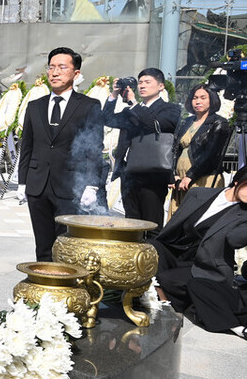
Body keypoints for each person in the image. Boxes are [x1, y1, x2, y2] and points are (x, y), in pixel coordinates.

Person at [17, 47, 103, 261]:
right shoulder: (35, 106)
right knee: (43, 245)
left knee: (67, 245)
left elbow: (94, 148)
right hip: (38, 185)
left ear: (76, 74)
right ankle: (44, 288)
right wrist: (22, 182)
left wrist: (92, 185)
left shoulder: (89, 106)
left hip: (71, 186)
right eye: (51, 67)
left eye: (62, 67)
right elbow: (27, 146)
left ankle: (67, 290)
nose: (55, 72)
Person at [151, 166, 247, 339]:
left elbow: (235, 239)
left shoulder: (244, 213)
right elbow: (177, 224)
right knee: (151, 249)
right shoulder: (199, 194)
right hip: (177, 250)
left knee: (167, 279)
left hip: (205, 264)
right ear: (237, 181)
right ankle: (162, 298)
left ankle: (167, 306)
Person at [103, 68, 181, 230]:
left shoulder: (170, 109)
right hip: (128, 173)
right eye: (140, 83)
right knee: (131, 223)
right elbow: (106, 119)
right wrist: (114, 95)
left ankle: (152, 254)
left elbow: (153, 123)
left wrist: (134, 103)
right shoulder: (130, 110)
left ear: (160, 86)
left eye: (147, 82)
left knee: (151, 223)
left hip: (153, 174)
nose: (142, 86)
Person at [168, 84, 229, 218]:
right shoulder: (186, 121)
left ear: (211, 100)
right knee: (177, 218)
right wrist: (173, 174)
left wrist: (190, 175)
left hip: (203, 177)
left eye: (203, 98)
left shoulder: (219, 123)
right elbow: (174, 149)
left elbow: (210, 154)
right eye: (195, 98)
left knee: (197, 217)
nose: (198, 101)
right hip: (181, 178)